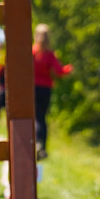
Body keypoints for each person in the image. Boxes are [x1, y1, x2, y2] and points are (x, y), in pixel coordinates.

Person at [32, 24, 72, 159]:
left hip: (32, 88)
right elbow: (60, 71)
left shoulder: (32, 52)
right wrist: (69, 68)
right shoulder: (49, 54)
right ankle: (42, 146)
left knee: (35, 117)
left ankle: (36, 143)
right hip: (45, 89)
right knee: (42, 118)